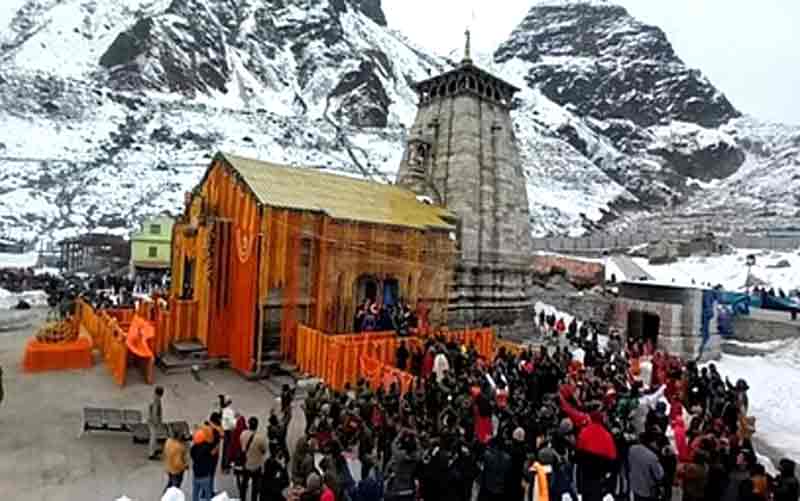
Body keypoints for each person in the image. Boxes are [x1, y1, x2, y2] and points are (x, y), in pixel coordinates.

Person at [239, 416, 268, 501]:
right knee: (255, 486)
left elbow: (241, 445)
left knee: (244, 484)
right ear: (257, 425)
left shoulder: (243, 434)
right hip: (256, 465)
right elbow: (264, 450)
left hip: (245, 463)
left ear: (248, 424)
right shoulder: (260, 438)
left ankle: (242, 498)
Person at [628, 433, 664, 501]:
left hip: (634, 485)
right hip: (647, 489)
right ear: (651, 442)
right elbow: (659, 475)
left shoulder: (632, 449)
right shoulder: (652, 457)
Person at [191, 429, 216, 501]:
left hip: (196, 474)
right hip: (205, 475)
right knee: (207, 494)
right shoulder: (207, 448)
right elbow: (211, 454)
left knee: (195, 493)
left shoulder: (193, 449)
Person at [163, 427, 188, 492]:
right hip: (176, 471)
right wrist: (184, 466)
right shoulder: (179, 446)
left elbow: (165, 453)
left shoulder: (168, 441)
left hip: (169, 467)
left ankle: (165, 496)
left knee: (170, 483)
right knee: (175, 487)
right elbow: (178, 462)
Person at [220, 395, 237, 473]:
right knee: (228, 449)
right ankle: (226, 466)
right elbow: (232, 424)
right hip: (229, 431)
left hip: (224, 430)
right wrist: (236, 419)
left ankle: (224, 465)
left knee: (225, 448)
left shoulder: (223, 410)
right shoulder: (229, 411)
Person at [148, 386, 165, 460]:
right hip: (153, 422)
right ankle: (151, 454)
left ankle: (153, 450)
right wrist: (156, 422)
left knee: (154, 437)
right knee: (153, 438)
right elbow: (155, 412)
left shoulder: (153, 398)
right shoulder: (156, 400)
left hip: (151, 420)